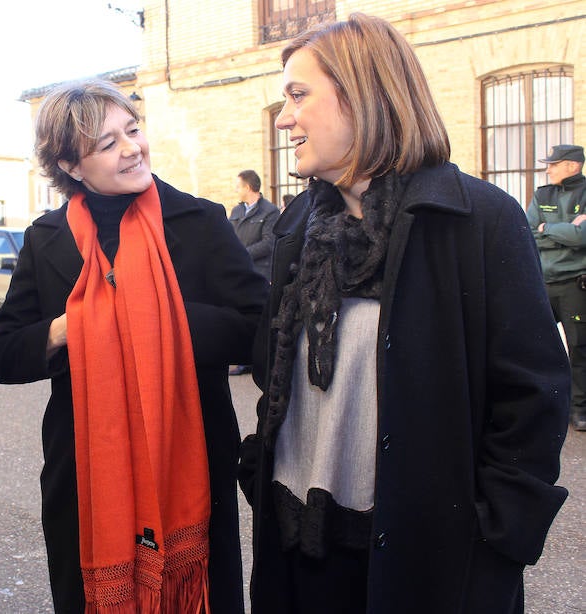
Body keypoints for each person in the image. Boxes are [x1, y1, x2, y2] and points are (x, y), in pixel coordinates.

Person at [238, 13, 570, 614]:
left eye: (297, 94)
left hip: (424, 558)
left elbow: (532, 398)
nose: (284, 118)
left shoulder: (478, 221)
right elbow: (274, 373)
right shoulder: (300, 225)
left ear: (362, 94)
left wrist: (497, 539)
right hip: (297, 542)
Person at [0, 80, 268, 613]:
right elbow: (0, 357)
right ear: (70, 165)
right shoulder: (47, 238)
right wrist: (71, 326)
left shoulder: (200, 221)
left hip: (190, 461)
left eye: (133, 130)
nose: (132, 147)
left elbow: (258, 327)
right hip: (84, 473)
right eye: (108, 143)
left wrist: (157, 316)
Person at [526, 144, 586, 432]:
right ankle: (543, 408)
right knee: (536, 347)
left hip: (575, 285)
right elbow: (528, 231)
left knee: (580, 349)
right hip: (542, 283)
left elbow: (583, 237)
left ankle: (580, 411)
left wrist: (547, 229)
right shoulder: (542, 194)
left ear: (573, 166)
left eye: (554, 164)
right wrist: (566, 231)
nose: (548, 169)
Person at [229, 169, 279, 375]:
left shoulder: (270, 211)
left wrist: (242, 254)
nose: (236, 190)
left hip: (260, 272)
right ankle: (242, 356)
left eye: (238, 186)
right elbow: (229, 237)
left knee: (258, 316)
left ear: (248, 188)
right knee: (238, 314)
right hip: (238, 271)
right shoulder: (236, 212)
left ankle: (257, 359)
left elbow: (269, 243)